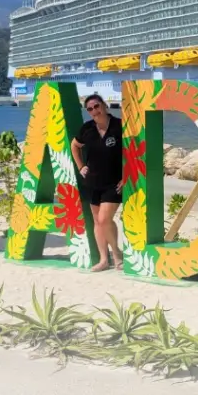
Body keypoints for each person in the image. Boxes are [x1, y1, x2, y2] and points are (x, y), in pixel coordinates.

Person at [71, 93, 124, 271]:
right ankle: (103, 259)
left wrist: (127, 175)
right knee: (97, 221)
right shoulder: (87, 129)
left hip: (114, 183)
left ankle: (116, 253)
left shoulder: (119, 126)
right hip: (93, 182)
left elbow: (131, 151)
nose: (94, 111)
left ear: (104, 105)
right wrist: (81, 167)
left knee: (104, 219)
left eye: (97, 106)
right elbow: (74, 146)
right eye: (90, 109)